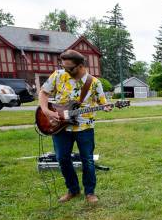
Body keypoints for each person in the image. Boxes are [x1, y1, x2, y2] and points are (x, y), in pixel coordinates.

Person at [39, 49, 110, 204]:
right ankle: (73, 189)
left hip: (84, 127)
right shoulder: (58, 75)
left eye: (69, 68)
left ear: (80, 65)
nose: (66, 70)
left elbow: (102, 102)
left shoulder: (94, 82)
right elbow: (44, 93)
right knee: (62, 159)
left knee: (88, 160)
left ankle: (90, 192)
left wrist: (106, 106)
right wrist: (45, 110)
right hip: (60, 125)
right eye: (64, 67)